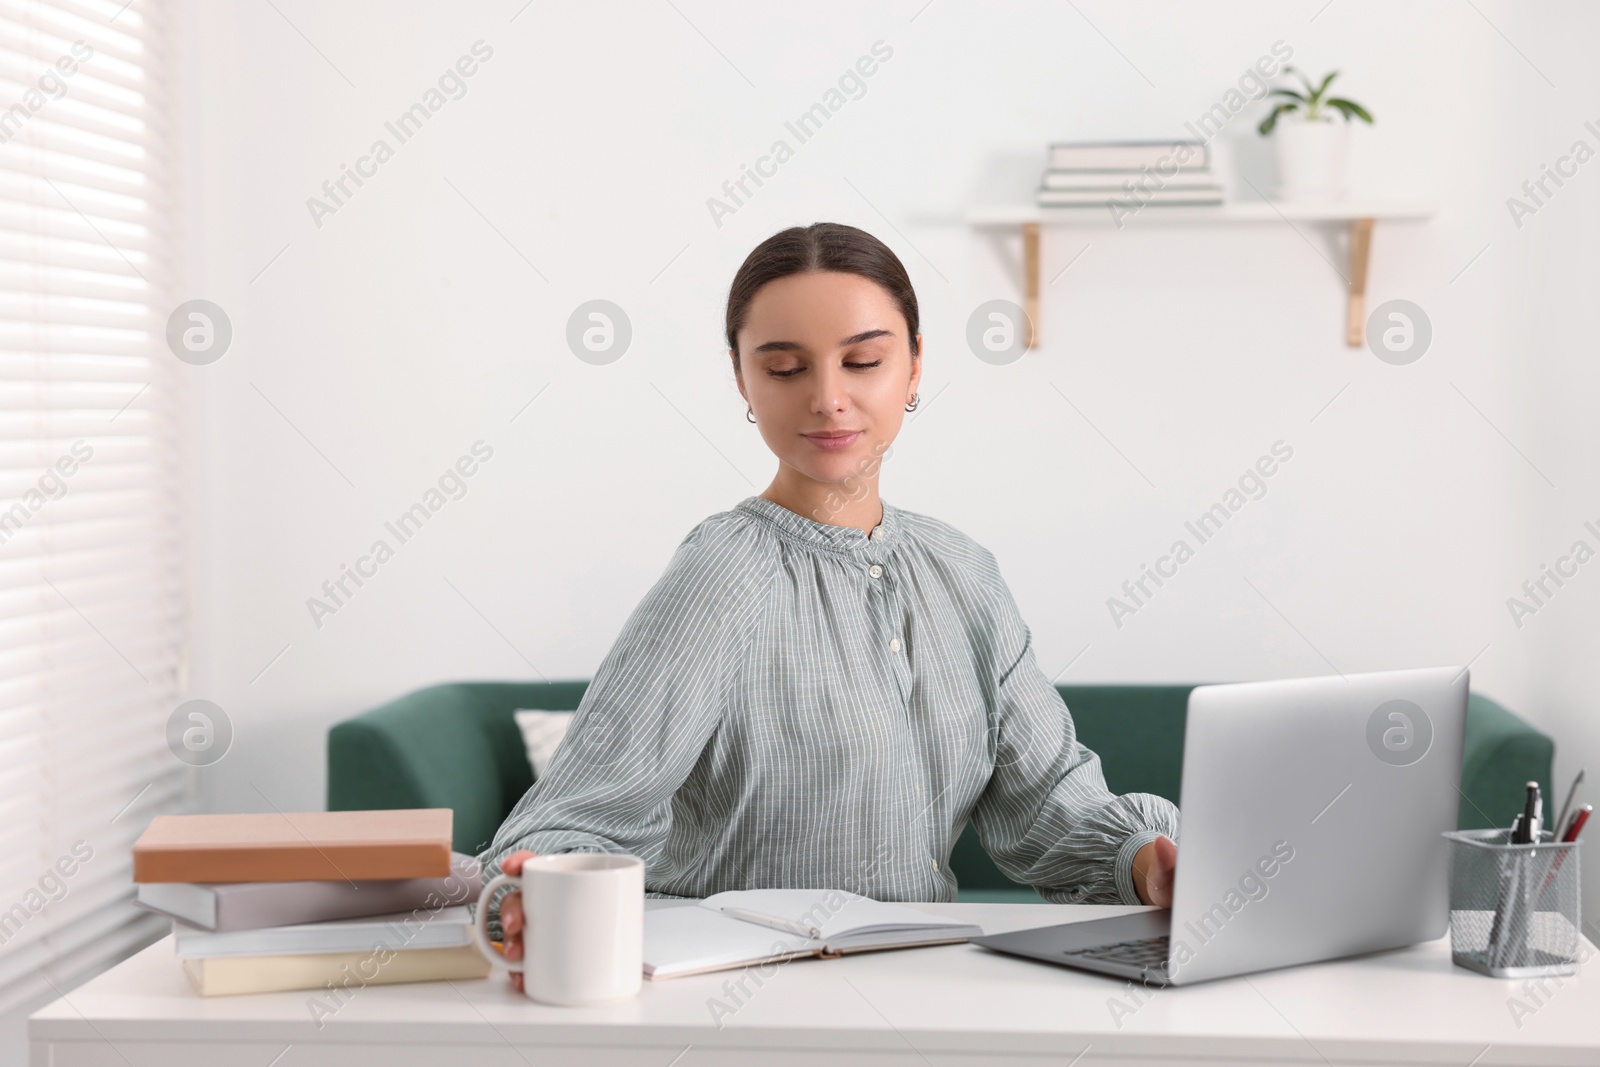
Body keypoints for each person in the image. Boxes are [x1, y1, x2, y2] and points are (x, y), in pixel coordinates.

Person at [479, 222, 1179, 990]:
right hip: (737, 1001)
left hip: (925, 988)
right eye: (784, 368)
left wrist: (1152, 864)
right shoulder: (721, 575)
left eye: (864, 360)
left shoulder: (964, 574)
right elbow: (577, 814)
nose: (828, 399)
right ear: (744, 381)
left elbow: (1049, 802)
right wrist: (535, 894)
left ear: (914, 367)